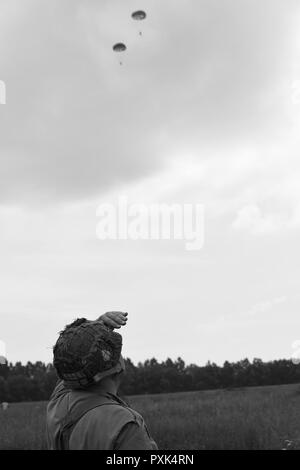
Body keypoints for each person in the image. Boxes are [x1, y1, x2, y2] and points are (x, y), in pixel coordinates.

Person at [46, 311, 158, 450]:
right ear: (114, 369)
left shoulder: (59, 403)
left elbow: (70, 365)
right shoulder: (124, 424)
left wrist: (93, 329)